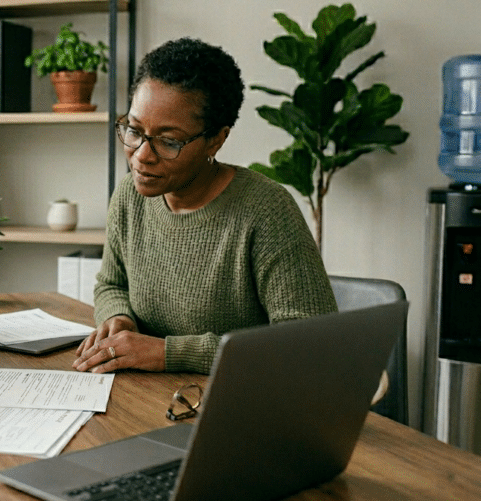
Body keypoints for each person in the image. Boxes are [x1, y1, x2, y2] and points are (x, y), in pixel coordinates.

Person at [72, 37, 337, 376]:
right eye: (134, 130)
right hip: (150, 392)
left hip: (237, 396)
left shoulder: (266, 211)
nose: (141, 155)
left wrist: (169, 353)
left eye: (169, 141)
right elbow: (111, 284)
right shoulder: (129, 197)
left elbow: (309, 345)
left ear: (216, 139)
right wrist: (118, 317)